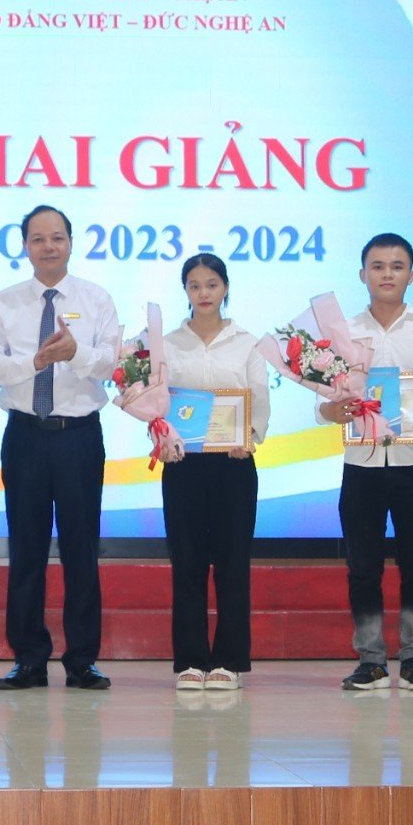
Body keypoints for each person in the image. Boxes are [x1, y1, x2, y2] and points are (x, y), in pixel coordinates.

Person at [0, 205, 121, 691]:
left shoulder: (96, 299)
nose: (48, 246)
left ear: (71, 242)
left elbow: (112, 364)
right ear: (25, 246)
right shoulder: (4, 302)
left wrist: (75, 353)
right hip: (25, 435)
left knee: (81, 549)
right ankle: (29, 658)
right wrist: (34, 362)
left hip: (79, 436)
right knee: (27, 548)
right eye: (38, 239)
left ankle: (82, 660)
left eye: (57, 237)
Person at [330, 233, 413, 693]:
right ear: (362, 274)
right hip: (361, 465)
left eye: (397, 266)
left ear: (412, 275)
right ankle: (370, 660)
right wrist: (332, 410)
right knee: (363, 567)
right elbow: (326, 399)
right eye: (378, 266)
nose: (387, 273)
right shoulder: (343, 333)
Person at [158, 252, 273, 691]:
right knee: (186, 562)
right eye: (194, 285)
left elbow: (258, 398)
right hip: (182, 464)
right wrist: (161, 436)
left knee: (231, 563)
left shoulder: (247, 343)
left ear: (225, 288)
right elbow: (158, 401)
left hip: (234, 464)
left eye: (211, 284)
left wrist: (250, 435)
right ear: (185, 290)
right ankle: (190, 660)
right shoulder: (167, 343)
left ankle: (228, 661)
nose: (203, 293)